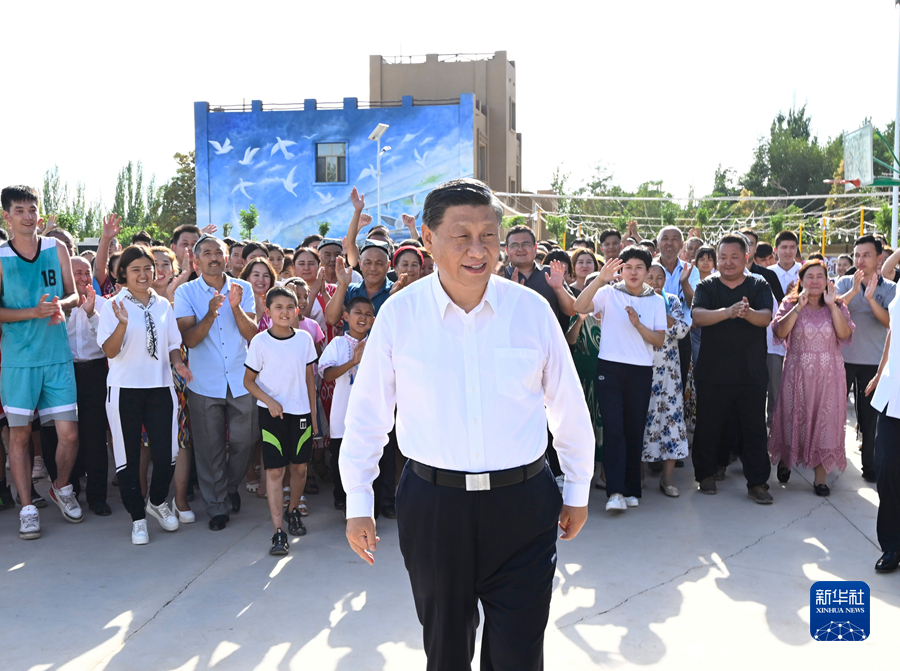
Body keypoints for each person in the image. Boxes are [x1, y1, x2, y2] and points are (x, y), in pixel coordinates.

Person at [340, 178, 593, 670]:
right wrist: (359, 502)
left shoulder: (531, 311)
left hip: (523, 506)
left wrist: (578, 488)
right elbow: (368, 415)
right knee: (447, 651)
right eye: (462, 236)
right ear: (428, 239)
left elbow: (568, 406)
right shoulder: (400, 316)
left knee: (519, 655)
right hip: (435, 508)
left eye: (488, 236)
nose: (478, 250)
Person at [0, 185, 83, 540]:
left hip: (57, 357)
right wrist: (31, 313)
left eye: (32, 209)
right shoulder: (1, 256)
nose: (28, 216)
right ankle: (27, 508)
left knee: (70, 434)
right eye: (19, 210)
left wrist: (61, 305)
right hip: (19, 362)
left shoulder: (56, 247)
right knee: (19, 436)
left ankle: (61, 486)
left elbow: (74, 294)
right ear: (7, 216)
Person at [98, 245, 191, 544]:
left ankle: (157, 501)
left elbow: (173, 343)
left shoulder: (163, 305)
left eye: (147, 268)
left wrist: (178, 364)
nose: (143, 274)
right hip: (124, 389)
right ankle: (138, 517)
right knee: (128, 457)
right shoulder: (113, 305)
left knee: (168, 454)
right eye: (135, 269)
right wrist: (123, 324)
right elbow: (110, 351)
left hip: (161, 387)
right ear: (123, 273)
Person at [174, 234, 258, 531]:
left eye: (218, 252)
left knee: (245, 440)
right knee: (209, 449)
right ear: (196, 261)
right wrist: (210, 313)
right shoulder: (186, 292)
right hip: (204, 381)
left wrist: (235, 307)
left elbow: (252, 334)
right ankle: (217, 506)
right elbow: (189, 340)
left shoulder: (243, 288)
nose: (213, 257)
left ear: (227, 257)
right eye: (207, 253)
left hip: (240, 378)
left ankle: (229, 487)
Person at [573, 246, 666, 511]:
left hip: (640, 370)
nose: (633, 273)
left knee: (634, 430)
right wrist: (600, 280)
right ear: (620, 270)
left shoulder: (656, 301)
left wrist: (638, 325)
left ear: (647, 271)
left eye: (639, 268)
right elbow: (579, 306)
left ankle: (631, 489)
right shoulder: (608, 293)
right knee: (614, 430)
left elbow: (659, 340)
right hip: (610, 368)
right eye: (628, 268)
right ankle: (614, 492)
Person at [691, 234, 774, 503]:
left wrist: (747, 313)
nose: (728, 262)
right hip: (712, 372)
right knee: (708, 425)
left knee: (753, 428)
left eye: (734, 257)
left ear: (746, 258)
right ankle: (706, 475)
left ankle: (758, 482)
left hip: (750, 372)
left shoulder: (758, 284)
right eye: (723, 257)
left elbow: (766, 317)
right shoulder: (707, 285)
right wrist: (728, 312)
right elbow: (697, 316)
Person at [768, 261, 855, 496]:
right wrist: (799, 306)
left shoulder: (837, 304)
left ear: (827, 280)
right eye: (810, 276)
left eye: (820, 276)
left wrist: (832, 306)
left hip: (829, 374)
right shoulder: (789, 303)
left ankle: (820, 478)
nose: (815, 281)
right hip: (797, 372)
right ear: (801, 280)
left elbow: (844, 333)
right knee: (793, 416)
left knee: (825, 422)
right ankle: (786, 460)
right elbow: (780, 332)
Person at [244, 287, 318, 554]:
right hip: (272, 415)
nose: (284, 312)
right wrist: (270, 401)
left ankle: (293, 510)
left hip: (301, 415)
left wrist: (314, 417)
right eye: (278, 307)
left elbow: (309, 380)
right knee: (275, 471)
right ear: (268, 311)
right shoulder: (259, 342)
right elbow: (248, 381)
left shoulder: (305, 339)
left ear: (297, 310)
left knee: (299, 468)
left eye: (289, 307)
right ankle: (278, 531)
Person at [837, 235, 897, 483]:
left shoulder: (890, 288)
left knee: (870, 418)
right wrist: (854, 291)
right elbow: (833, 310)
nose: (860, 260)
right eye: (857, 255)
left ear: (879, 258)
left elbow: (891, 323)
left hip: (874, 361)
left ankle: (869, 466)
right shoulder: (843, 282)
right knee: (836, 412)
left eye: (866, 255)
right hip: (842, 359)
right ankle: (830, 459)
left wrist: (871, 299)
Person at [319, 296, 375, 512]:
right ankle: (342, 498)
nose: (363, 317)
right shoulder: (338, 343)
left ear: (374, 320)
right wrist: (353, 362)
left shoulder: (376, 344)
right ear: (345, 316)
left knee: (370, 459)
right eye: (358, 312)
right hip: (342, 413)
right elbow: (327, 375)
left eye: (368, 314)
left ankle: (371, 502)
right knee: (340, 458)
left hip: (370, 414)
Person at [643, 263, 691, 497]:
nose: (654, 282)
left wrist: (663, 314)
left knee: (671, 422)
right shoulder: (634, 300)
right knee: (641, 422)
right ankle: (638, 476)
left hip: (669, 375)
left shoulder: (671, 300)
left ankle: (667, 479)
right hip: (642, 371)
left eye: (659, 277)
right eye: (650, 277)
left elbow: (682, 330)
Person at [865, 290, 900, 572]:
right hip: (893, 394)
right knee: (886, 467)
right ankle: (891, 545)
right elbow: (893, 329)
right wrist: (880, 371)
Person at [504, 224, 576, 334]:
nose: (520, 249)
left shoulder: (550, 273)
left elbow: (572, 311)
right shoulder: (500, 277)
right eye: (514, 245)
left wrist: (558, 288)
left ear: (535, 248)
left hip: (547, 341)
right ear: (507, 250)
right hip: (511, 341)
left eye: (526, 244)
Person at [656, 226, 700, 392]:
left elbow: (694, 305)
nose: (669, 242)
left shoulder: (691, 270)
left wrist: (684, 282)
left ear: (682, 245)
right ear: (658, 243)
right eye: (665, 238)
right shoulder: (648, 268)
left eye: (674, 239)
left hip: (682, 335)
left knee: (679, 383)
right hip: (652, 333)